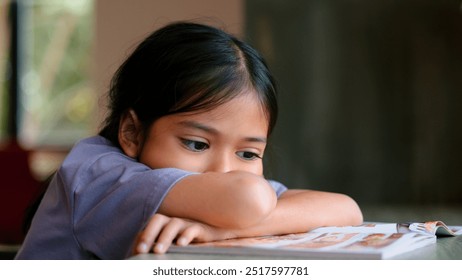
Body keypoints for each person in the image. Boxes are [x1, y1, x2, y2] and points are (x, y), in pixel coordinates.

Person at [16, 21, 362, 260]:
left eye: (247, 153)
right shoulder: (97, 173)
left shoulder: (211, 195)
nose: (225, 170)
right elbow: (250, 199)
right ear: (132, 133)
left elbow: (347, 209)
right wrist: (236, 222)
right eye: (196, 144)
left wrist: (220, 232)